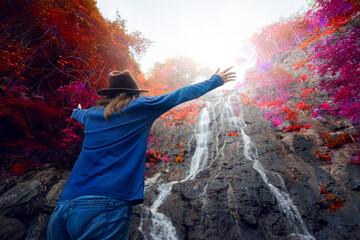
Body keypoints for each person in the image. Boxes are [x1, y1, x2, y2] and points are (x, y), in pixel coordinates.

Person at [47, 67, 236, 240]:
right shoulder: (140, 107)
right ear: (134, 93)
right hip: (105, 205)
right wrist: (215, 80)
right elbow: (178, 95)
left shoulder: (91, 115)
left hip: (64, 207)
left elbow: (79, 114)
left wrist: (75, 111)